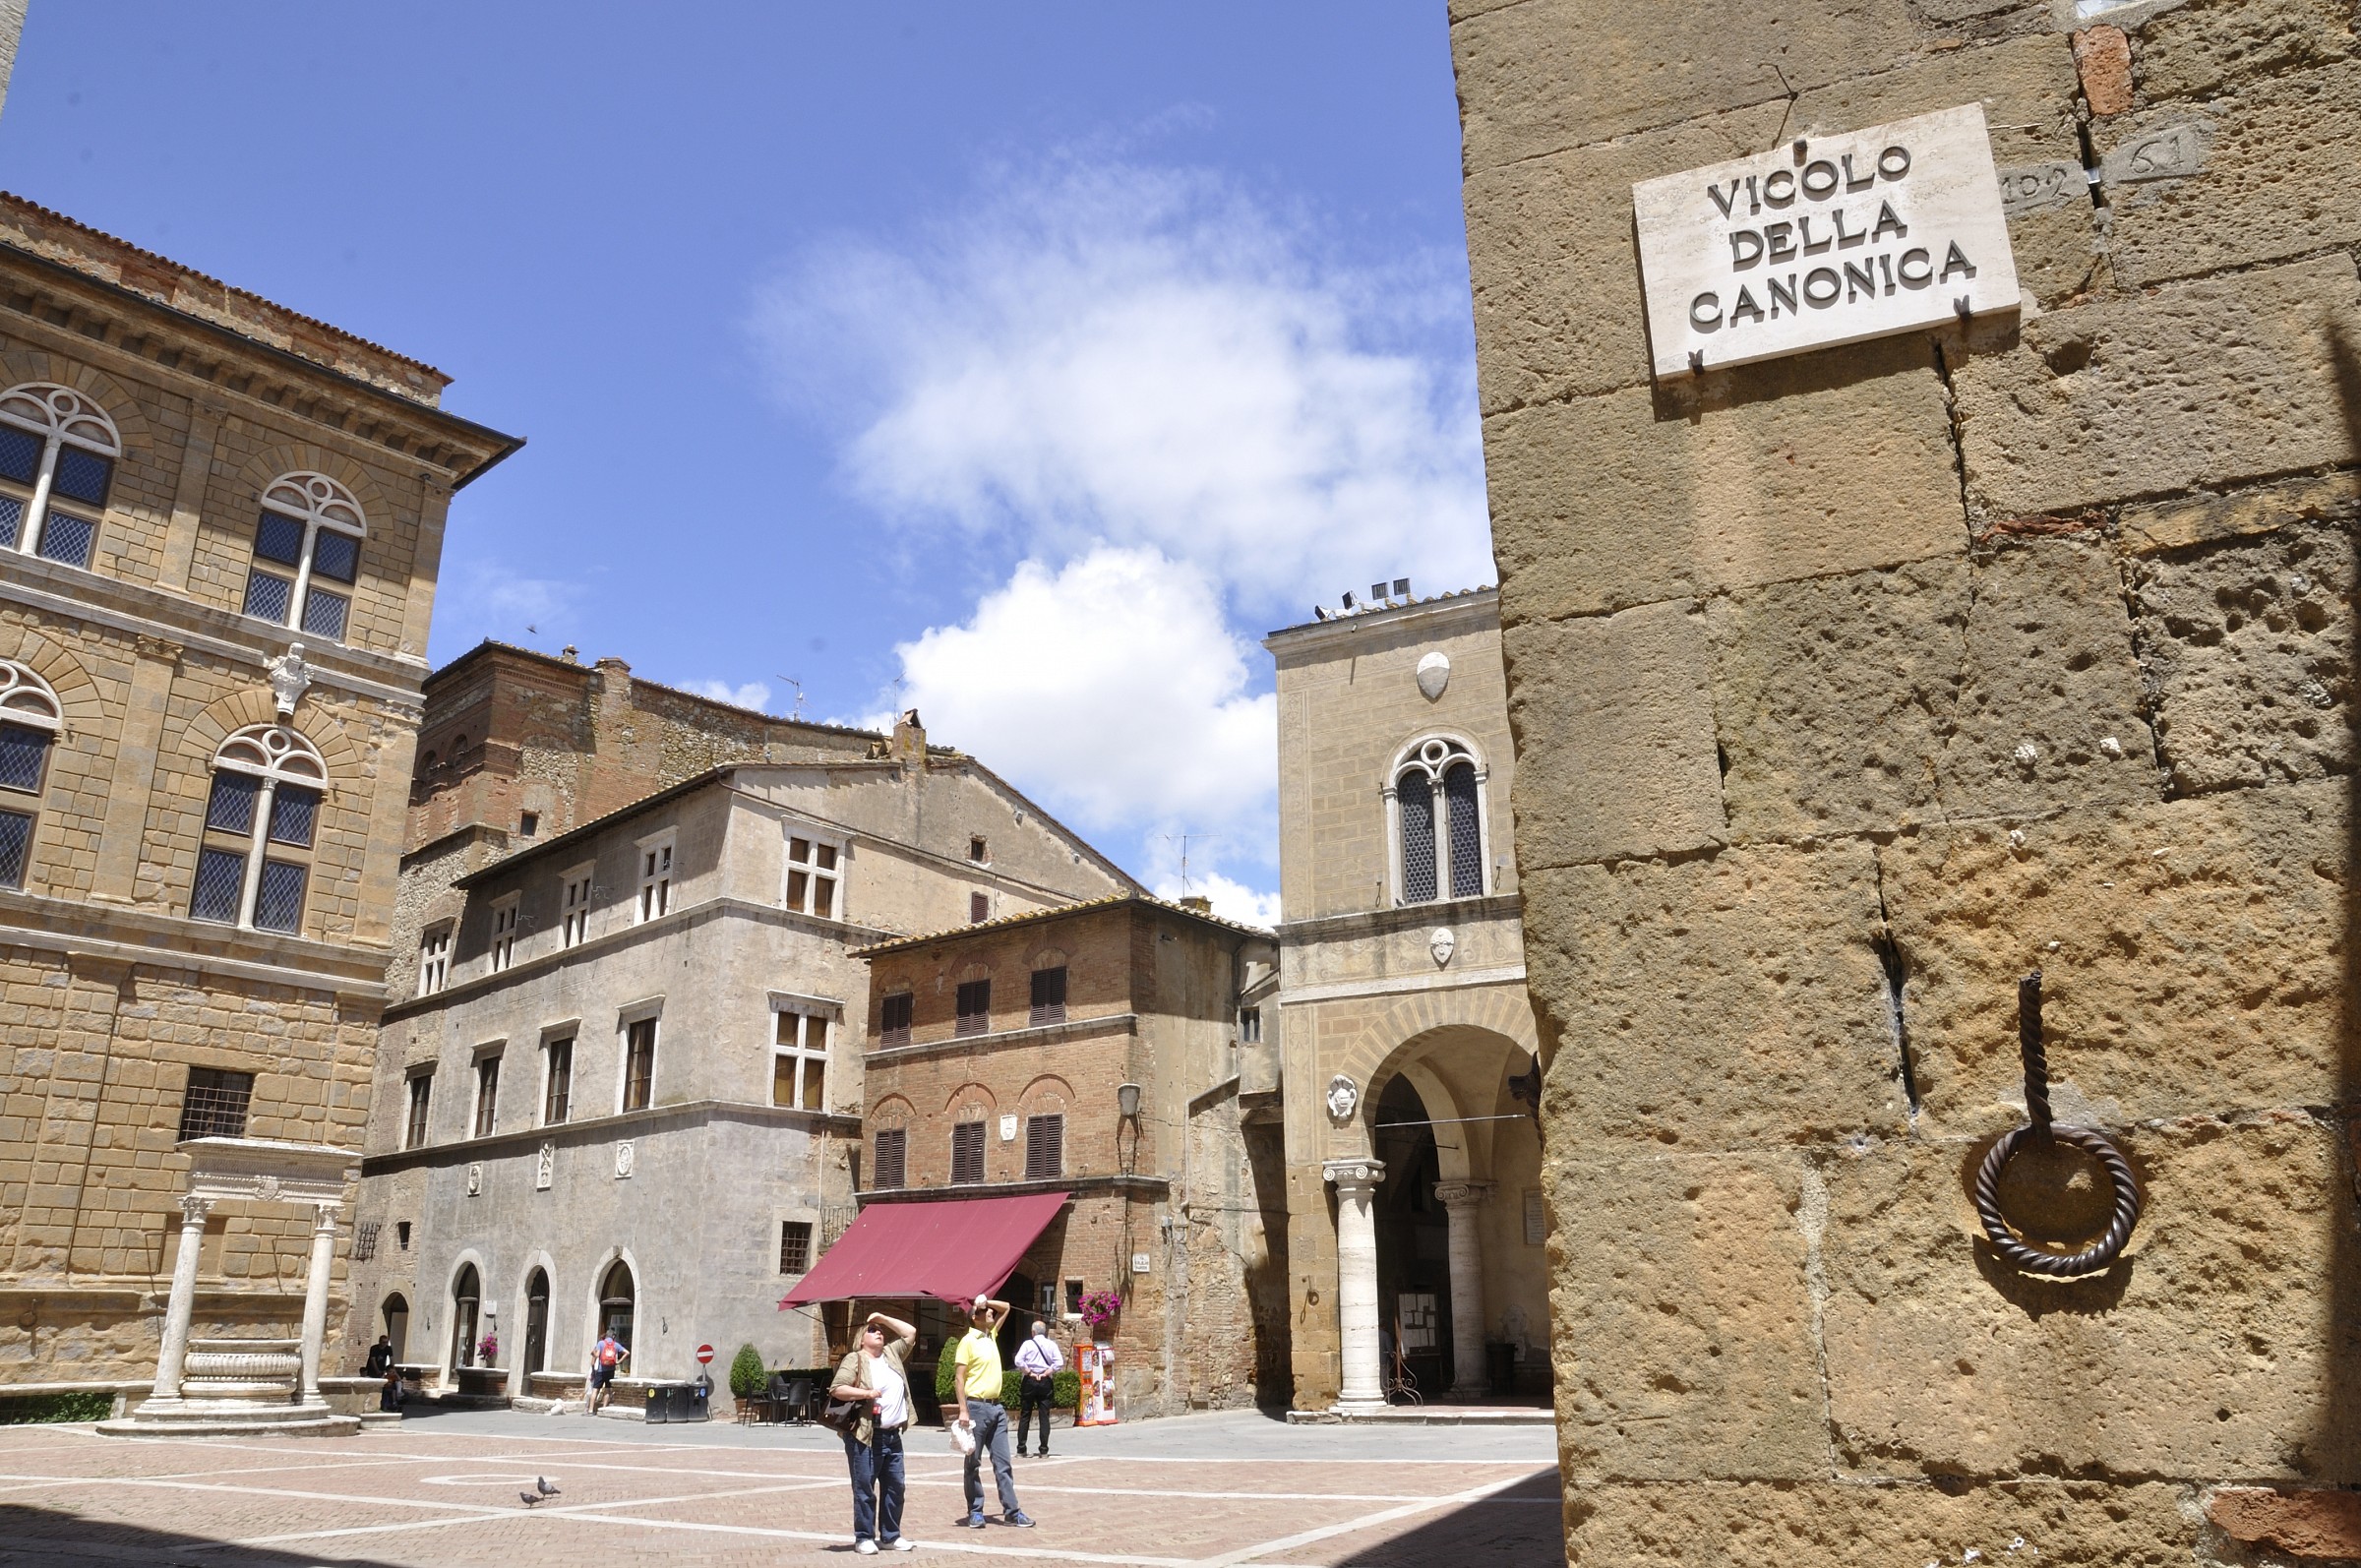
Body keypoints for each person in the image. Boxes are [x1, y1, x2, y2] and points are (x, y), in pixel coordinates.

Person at [829, 1310, 918, 1555]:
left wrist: (882, 1318)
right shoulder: (855, 1359)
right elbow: (837, 1388)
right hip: (866, 1435)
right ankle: (864, 1537)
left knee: (895, 1487)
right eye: (872, 1330)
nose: (878, 1332)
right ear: (861, 1340)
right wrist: (866, 1394)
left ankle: (891, 1536)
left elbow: (910, 1333)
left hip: (893, 1435)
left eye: (880, 1331)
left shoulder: (891, 1354)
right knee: (865, 1488)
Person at [950, 1294, 1032, 1529]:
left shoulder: (991, 1334)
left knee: (1003, 1463)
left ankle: (1012, 1511)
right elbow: (959, 1378)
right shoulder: (968, 1341)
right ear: (974, 1318)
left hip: (997, 1407)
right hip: (976, 1407)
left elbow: (1006, 1307)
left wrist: (986, 1303)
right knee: (973, 1463)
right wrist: (963, 1409)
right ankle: (975, 1511)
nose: (990, 1314)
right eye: (985, 1312)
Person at [1013, 1318, 1063, 1458]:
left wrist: (1028, 1372)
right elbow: (1059, 1362)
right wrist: (1047, 1372)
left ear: (1033, 1332)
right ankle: (1044, 1450)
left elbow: (1018, 1360)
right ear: (1045, 1332)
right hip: (1045, 1380)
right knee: (1044, 1416)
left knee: (1025, 1415)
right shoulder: (1051, 1344)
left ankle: (1021, 1449)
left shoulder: (1027, 1344)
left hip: (1030, 1380)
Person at [586, 1331, 627, 1414]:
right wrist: (619, 1361)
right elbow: (627, 1352)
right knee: (607, 1389)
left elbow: (597, 1355)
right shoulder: (616, 1345)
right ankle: (604, 1409)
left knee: (595, 1390)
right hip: (611, 1370)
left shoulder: (601, 1343)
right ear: (613, 1336)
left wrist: (593, 1353)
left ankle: (590, 1410)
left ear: (606, 1336)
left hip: (601, 1370)